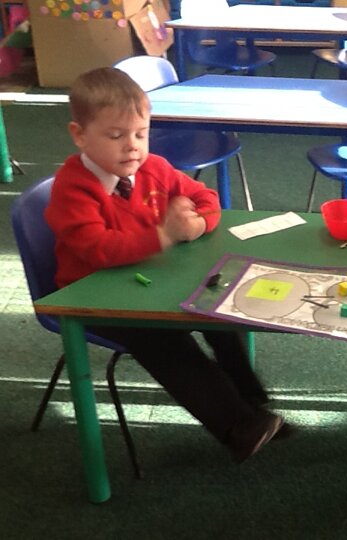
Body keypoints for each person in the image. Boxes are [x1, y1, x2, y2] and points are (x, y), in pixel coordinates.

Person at [45, 67, 286, 464]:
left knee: (219, 309)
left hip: (148, 278)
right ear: (80, 135)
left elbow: (206, 197)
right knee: (160, 338)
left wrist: (196, 226)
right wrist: (164, 235)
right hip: (92, 295)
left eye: (141, 134)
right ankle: (237, 426)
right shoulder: (73, 187)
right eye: (116, 136)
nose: (132, 147)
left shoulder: (153, 168)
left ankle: (253, 407)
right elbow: (98, 249)